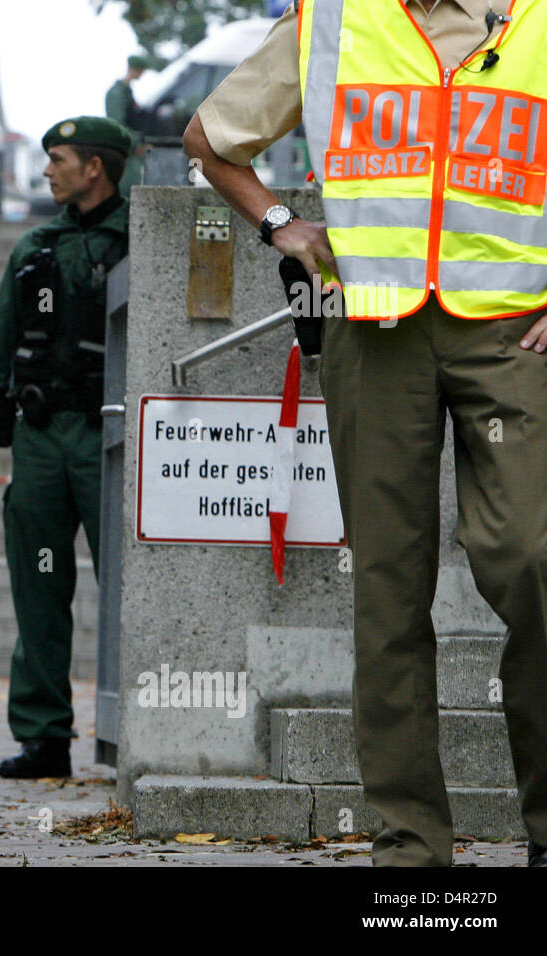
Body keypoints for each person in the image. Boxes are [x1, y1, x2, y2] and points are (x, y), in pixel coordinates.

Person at [185, 0, 547, 867]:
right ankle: (412, 853)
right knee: (386, 593)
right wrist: (280, 222)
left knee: (531, 557)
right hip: (372, 329)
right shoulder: (332, 20)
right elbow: (210, 137)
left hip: (509, 328)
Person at [0, 116, 131, 779]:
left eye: (57, 158)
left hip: (109, 438)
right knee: (38, 586)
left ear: (95, 167)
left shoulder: (138, 241)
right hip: (39, 439)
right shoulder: (34, 244)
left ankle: (140, 724)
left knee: (128, 588)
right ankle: (44, 737)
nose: (46, 170)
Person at [105, 54, 150, 197]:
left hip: (131, 150)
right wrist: (136, 144)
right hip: (126, 152)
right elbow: (117, 125)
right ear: (135, 69)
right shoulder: (117, 93)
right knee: (128, 192)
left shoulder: (127, 92)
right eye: (141, 70)